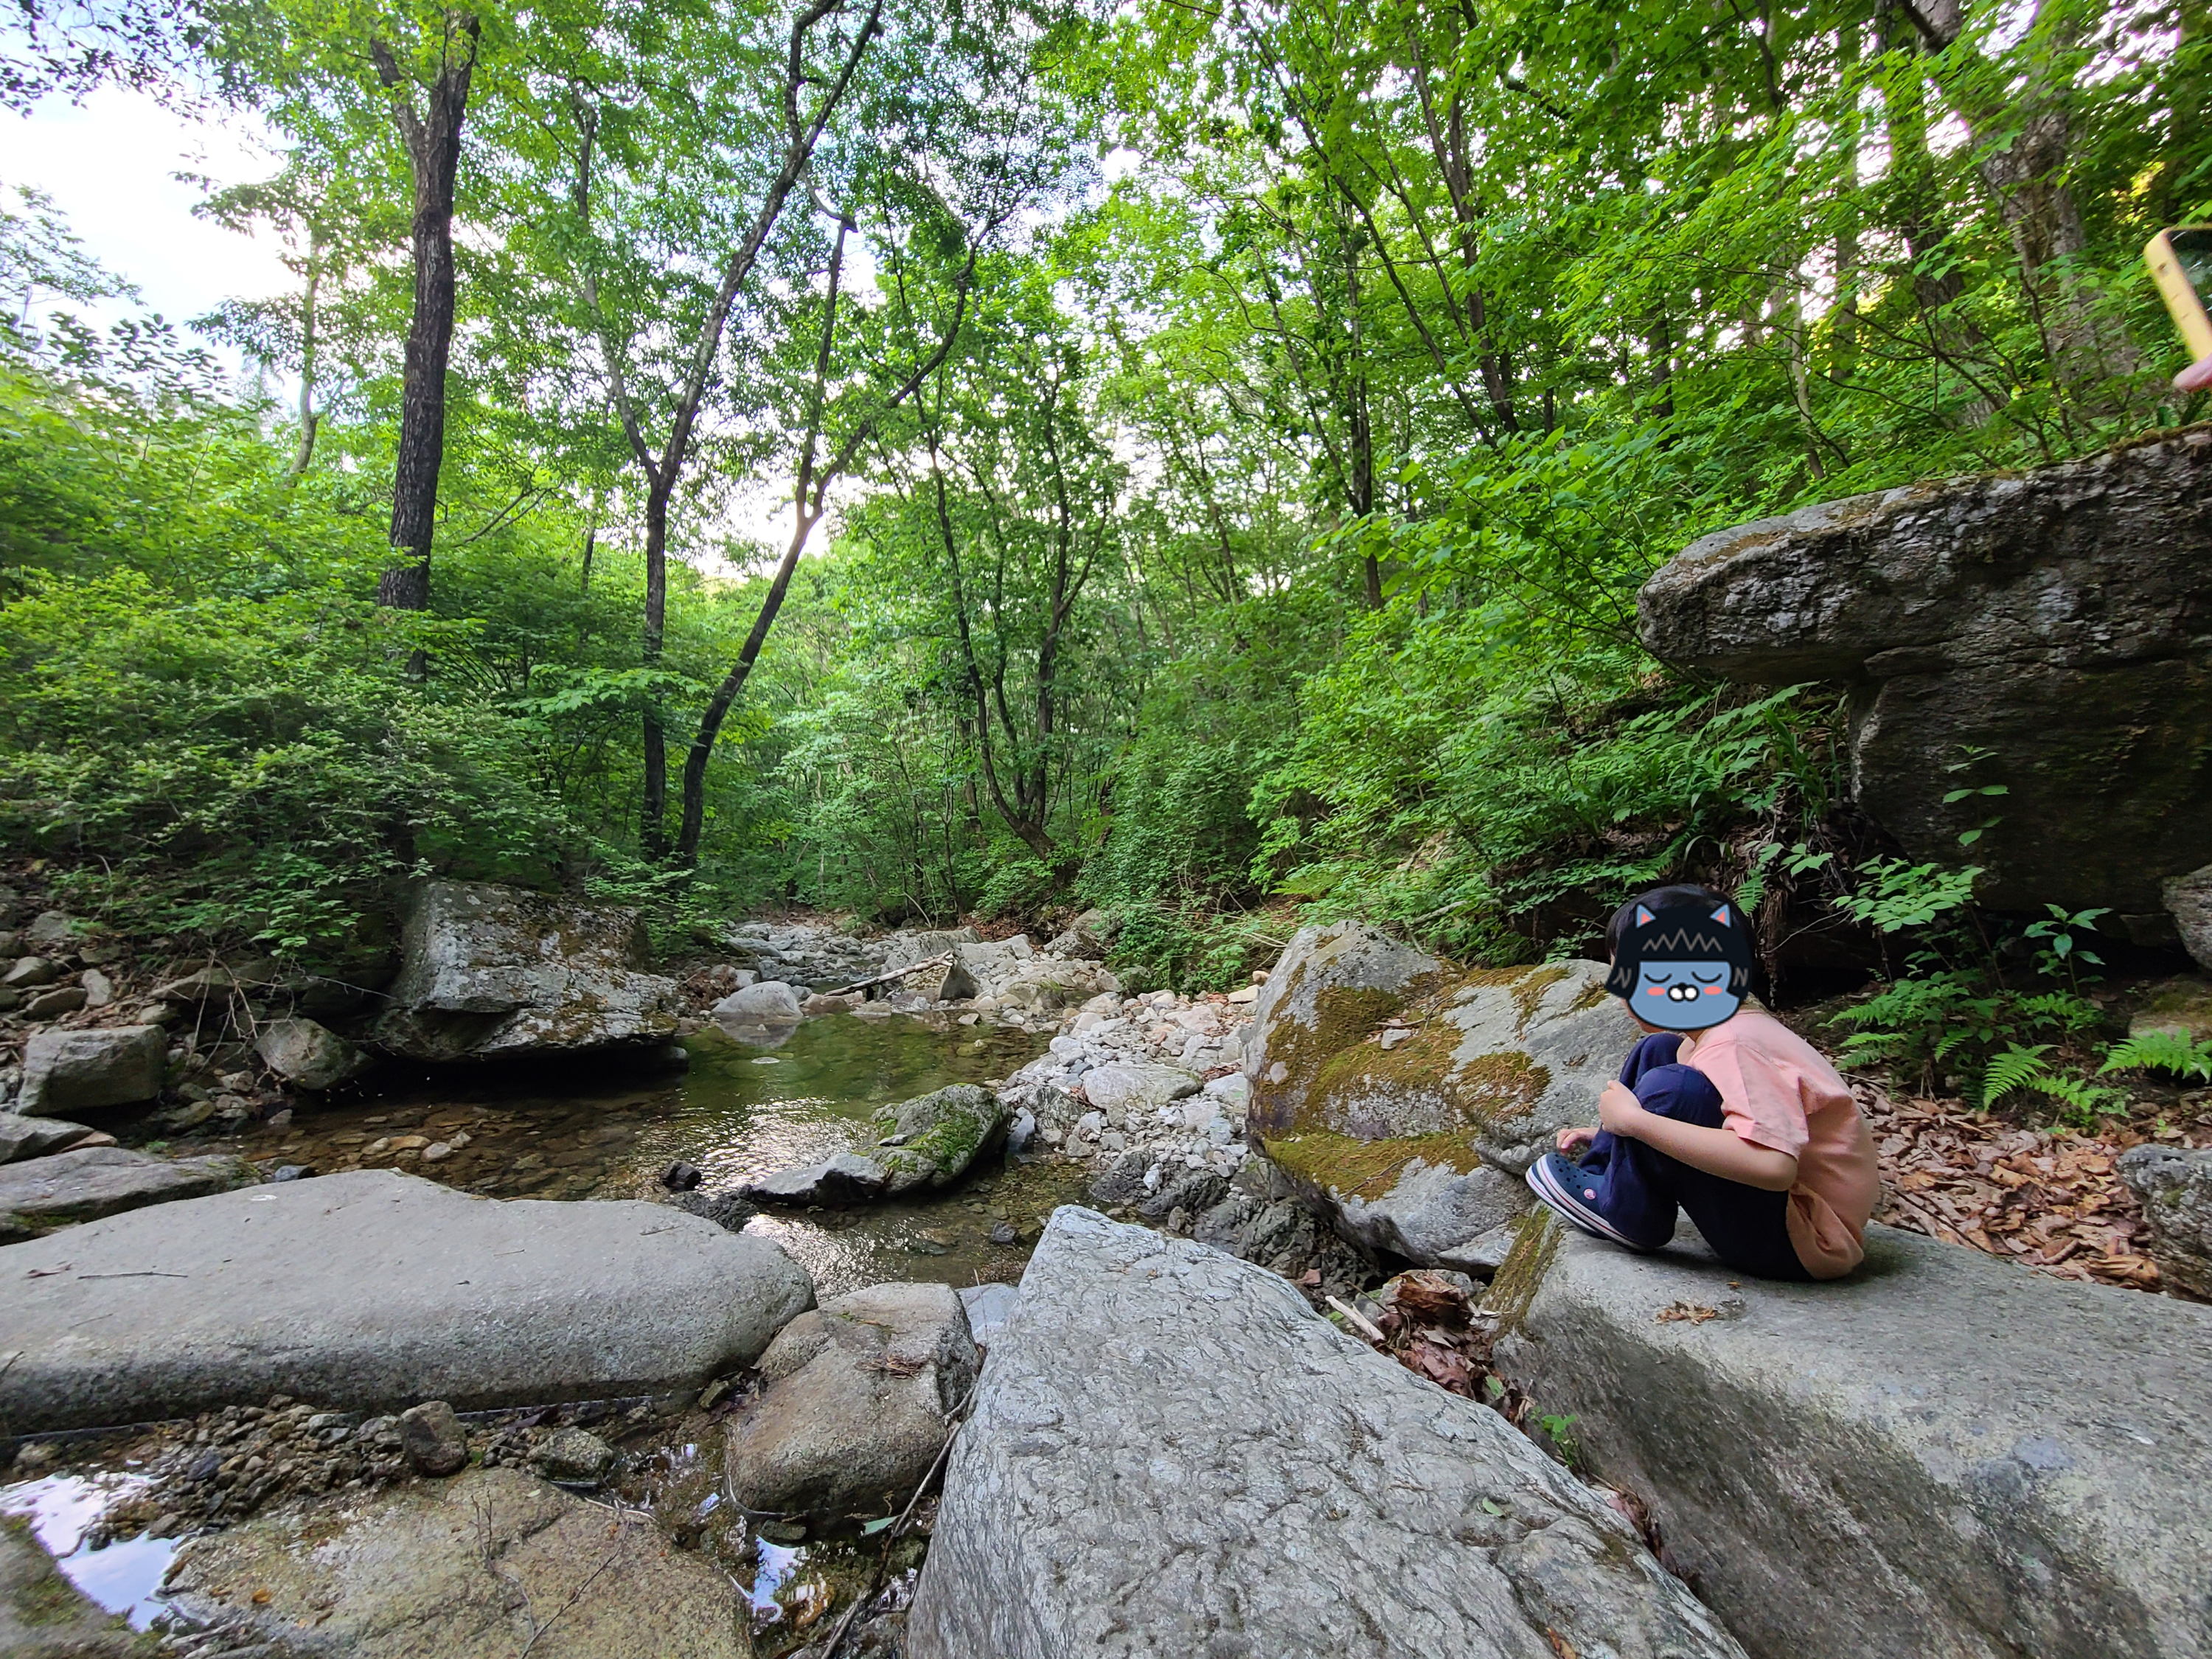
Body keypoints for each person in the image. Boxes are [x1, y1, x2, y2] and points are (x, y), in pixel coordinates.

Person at [1523, 883, 1879, 1280]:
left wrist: (1637, 1124)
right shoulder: (1717, 1035)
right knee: (1658, 1051)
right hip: (1780, 1218)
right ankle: (1609, 1176)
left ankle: (1625, 1214)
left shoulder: (1737, 1044)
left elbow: (1773, 1165)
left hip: (1800, 1240)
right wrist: (1624, 1138)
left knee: (1674, 1087)